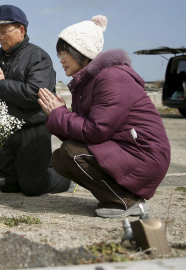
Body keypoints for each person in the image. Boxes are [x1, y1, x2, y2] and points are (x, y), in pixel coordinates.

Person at [38, 15, 171, 218]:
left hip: (145, 154)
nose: (61, 60)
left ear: (81, 51)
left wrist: (60, 115)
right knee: (60, 159)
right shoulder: (88, 82)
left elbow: (97, 130)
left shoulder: (111, 78)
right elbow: (86, 133)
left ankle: (126, 201)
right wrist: (61, 114)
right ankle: (117, 196)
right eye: (59, 54)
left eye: (64, 53)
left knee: (70, 152)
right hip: (128, 150)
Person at [0, 4, 72, 196]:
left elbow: (35, 94)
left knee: (32, 188)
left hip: (32, 128)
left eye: (4, 31)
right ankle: (40, 168)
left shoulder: (38, 57)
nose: (0, 36)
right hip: (6, 129)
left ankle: (66, 176)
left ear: (21, 30)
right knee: (7, 186)